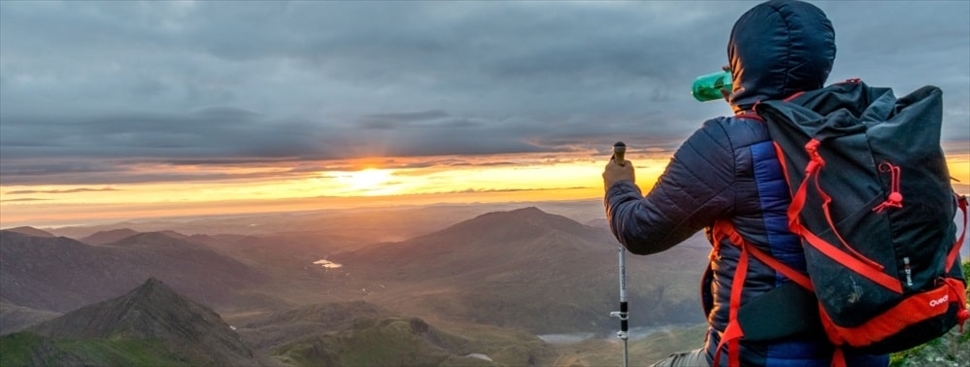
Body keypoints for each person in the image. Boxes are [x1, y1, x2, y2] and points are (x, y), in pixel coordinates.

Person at [602, 1, 890, 366]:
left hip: (758, 357)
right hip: (862, 352)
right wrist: (747, 106)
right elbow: (779, 137)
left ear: (741, 59)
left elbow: (640, 231)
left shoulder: (727, 143)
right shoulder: (863, 131)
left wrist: (619, 185)